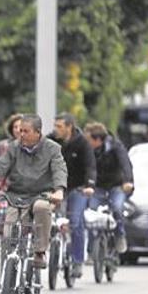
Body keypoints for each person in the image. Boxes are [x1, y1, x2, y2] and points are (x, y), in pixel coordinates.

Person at [0, 114, 66, 269]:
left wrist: (59, 190)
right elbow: (0, 166)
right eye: (20, 131)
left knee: (41, 208)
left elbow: (59, 170)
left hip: (42, 194)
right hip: (17, 195)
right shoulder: (13, 147)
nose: (21, 134)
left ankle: (39, 252)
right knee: (8, 234)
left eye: (26, 131)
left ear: (37, 132)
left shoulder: (53, 148)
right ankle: (5, 280)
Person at [50, 113, 96, 277]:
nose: (56, 129)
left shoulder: (82, 143)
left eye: (59, 127)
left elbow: (90, 166)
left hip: (77, 188)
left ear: (69, 127)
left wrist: (89, 185)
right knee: (49, 219)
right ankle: (51, 251)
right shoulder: (51, 140)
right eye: (55, 126)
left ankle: (77, 261)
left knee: (75, 221)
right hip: (56, 187)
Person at [84, 122, 133, 253]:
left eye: (89, 140)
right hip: (97, 186)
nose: (86, 143)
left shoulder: (116, 147)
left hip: (116, 185)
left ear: (98, 140)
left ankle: (120, 235)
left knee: (116, 207)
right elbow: (87, 169)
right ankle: (92, 248)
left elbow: (125, 164)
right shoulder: (88, 151)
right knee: (91, 212)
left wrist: (128, 181)